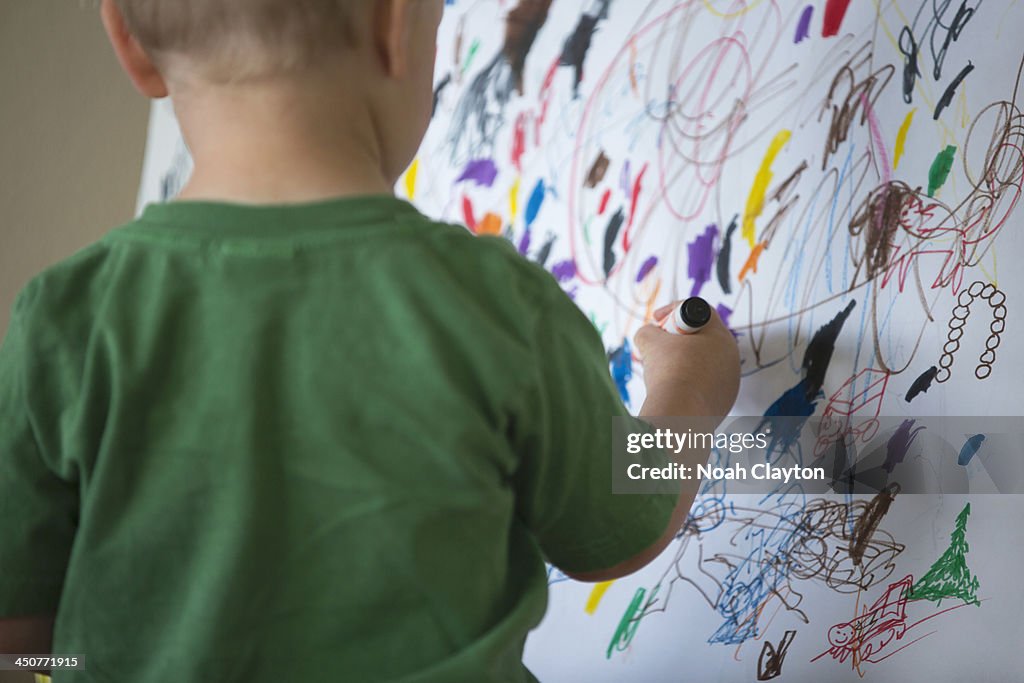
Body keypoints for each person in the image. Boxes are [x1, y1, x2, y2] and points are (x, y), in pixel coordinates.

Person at [0, 1, 740, 680]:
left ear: (130, 45)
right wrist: (690, 389)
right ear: (396, 26)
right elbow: (625, 520)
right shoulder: (491, 304)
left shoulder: (63, 320)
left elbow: (18, 627)